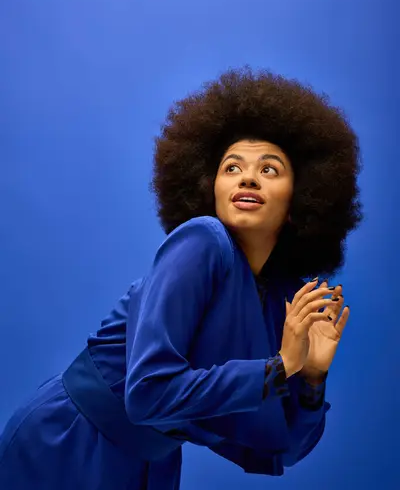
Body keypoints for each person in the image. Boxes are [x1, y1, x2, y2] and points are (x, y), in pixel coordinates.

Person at [0, 66, 364, 489]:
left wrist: (312, 377)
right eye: (231, 167)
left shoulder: (280, 297)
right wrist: (280, 368)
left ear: (300, 197)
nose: (247, 177)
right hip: (68, 444)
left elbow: (278, 450)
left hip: (151, 466)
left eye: (269, 169)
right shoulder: (201, 242)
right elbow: (149, 394)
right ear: (209, 187)